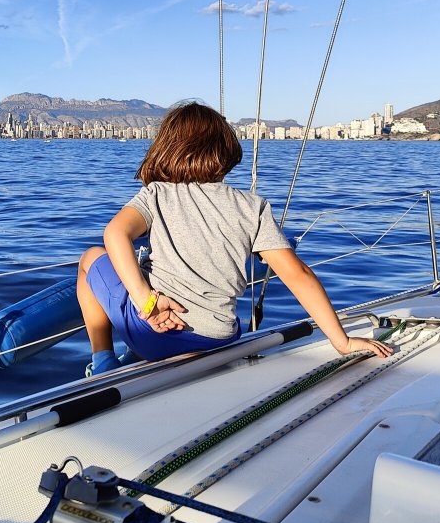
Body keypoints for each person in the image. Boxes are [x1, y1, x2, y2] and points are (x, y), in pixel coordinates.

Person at [76, 102, 392, 375]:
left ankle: (103, 361)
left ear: (168, 148)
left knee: (89, 258)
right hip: (221, 338)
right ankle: (134, 353)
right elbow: (298, 275)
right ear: (225, 151)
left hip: (154, 334)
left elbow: (114, 233)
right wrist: (342, 341)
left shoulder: (156, 194)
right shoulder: (252, 206)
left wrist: (147, 300)